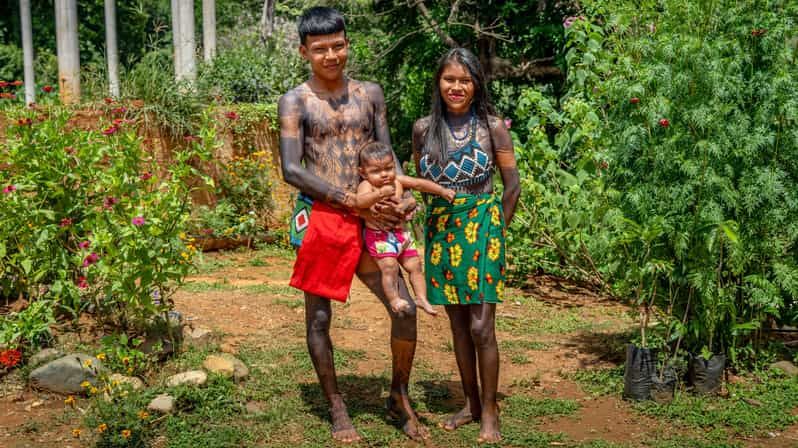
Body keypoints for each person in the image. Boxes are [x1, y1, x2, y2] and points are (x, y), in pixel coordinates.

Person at [278, 6, 429, 443]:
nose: (331, 56)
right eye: (320, 49)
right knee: (320, 318)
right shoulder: (296, 101)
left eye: (338, 46)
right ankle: (337, 404)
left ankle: (398, 394)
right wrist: (349, 201)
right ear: (304, 50)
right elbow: (291, 168)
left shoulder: (371, 93)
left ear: (348, 45)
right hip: (324, 215)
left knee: (403, 308)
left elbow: (385, 151)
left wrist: (401, 194)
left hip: (375, 217)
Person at [411, 47, 521, 444]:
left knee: (481, 327)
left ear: (476, 84)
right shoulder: (423, 129)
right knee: (458, 327)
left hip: (484, 229)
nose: (456, 87)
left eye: (464, 80)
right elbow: (422, 184)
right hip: (443, 231)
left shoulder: (492, 128)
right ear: (438, 83)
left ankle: (490, 411)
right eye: (449, 79)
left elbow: (513, 188)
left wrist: (495, 234)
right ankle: (471, 403)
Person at [355, 141, 455, 316]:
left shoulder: (398, 181)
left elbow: (418, 184)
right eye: (376, 171)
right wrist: (379, 194)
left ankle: (421, 298)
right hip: (380, 236)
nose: (384, 175)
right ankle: (394, 299)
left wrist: (441, 191)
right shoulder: (367, 186)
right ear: (362, 172)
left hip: (402, 235)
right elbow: (360, 201)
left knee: (415, 266)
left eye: (388, 168)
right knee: (389, 267)